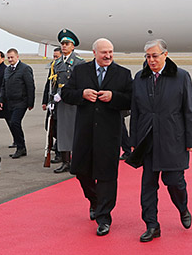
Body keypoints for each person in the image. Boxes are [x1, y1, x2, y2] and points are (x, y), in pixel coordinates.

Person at [129, 39, 192, 242]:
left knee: (174, 182)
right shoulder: (140, 78)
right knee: (148, 185)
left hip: (172, 139)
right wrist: (134, 139)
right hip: (147, 141)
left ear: (165, 55)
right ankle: (152, 225)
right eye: (148, 56)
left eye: (155, 56)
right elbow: (135, 111)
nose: (151, 60)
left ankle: (183, 208)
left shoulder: (181, 76)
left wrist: (191, 139)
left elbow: (189, 111)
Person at [62, 38, 132, 237]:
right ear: (94, 53)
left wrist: (114, 97)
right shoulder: (80, 71)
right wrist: (82, 94)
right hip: (84, 133)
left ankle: (104, 217)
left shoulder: (123, 74)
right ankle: (94, 200)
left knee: (106, 177)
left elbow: (132, 99)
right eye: (104, 53)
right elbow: (66, 93)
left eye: (110, 51)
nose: (108, 55)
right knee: (81, 172)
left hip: (109, 135)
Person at [51, 29, 85, 173]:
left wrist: (63, 93)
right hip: (61, 103)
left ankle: (78, 161)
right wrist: (50, 101)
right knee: (62, 133)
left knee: (75, 133)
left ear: (73, 46)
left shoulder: (79, 62)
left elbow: (81, 82)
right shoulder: (57, 63)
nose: (64, 46)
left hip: (74, 102)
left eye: (67, 43)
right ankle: (66, 161)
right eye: (62, 43)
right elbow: (52, 83)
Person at [0, 48, 35, 159]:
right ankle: (20, 146)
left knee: (15, 122)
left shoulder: (25, 69)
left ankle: (20, 147)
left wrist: (30, 102)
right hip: (10, 102)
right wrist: (1, 100)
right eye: (8, 58)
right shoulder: (7, 70)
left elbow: (30, 86)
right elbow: (3, 86)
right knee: (13, 124)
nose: (10, 60)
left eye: (12, 57)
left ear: (17, 57)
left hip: (21, 101)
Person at [42, 47, 62, 164]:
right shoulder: (53, 67)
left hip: (60, 103)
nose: (54, 59)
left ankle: (60, 153)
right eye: (53, 57)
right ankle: (57, 145)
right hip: (51, 103)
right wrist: (45, 101)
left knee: (59, 128)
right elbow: (48, 85)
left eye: (56, 57)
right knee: (49, 127)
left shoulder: (64, 68)